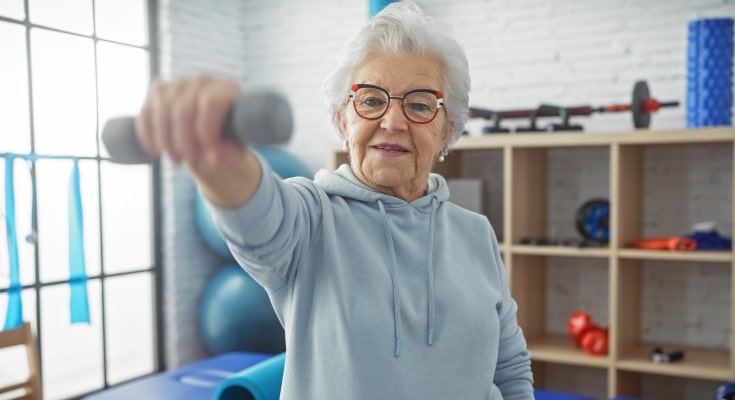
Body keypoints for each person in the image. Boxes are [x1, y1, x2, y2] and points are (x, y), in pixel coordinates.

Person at [135, 1, 534, 399]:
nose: (392, 122)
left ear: (446, 132)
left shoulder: (476, 233)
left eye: (419, 105)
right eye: (372, 100)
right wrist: (219, 156)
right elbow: (256, 218)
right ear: (344, 120)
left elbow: (510, 366)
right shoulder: (309, 220)